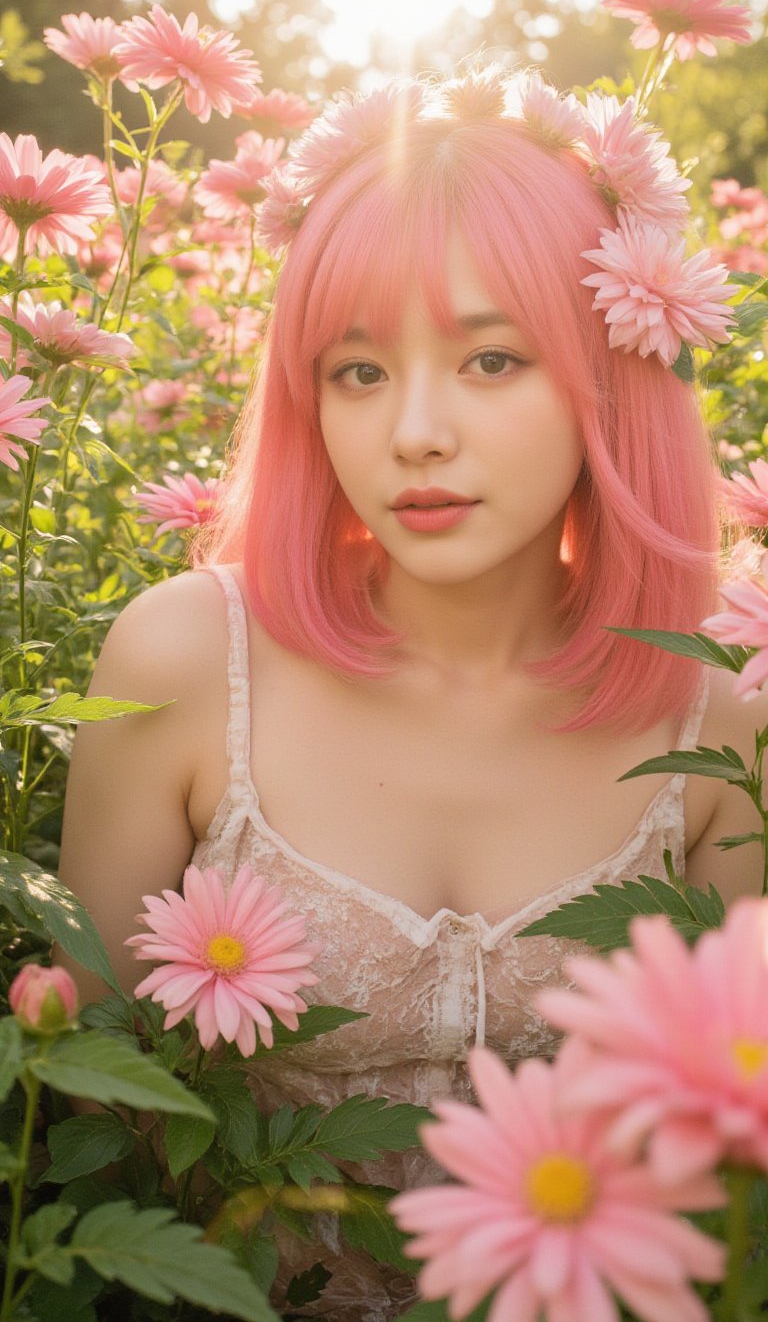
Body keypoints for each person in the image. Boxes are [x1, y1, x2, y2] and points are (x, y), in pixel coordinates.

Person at [56, 64, 764, 1320]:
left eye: (492, 359)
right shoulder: (181, 663)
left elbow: (728, 1179)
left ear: (613, 372)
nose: (416, 433)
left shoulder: (723, 710)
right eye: (359, 371)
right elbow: (93, 1124)